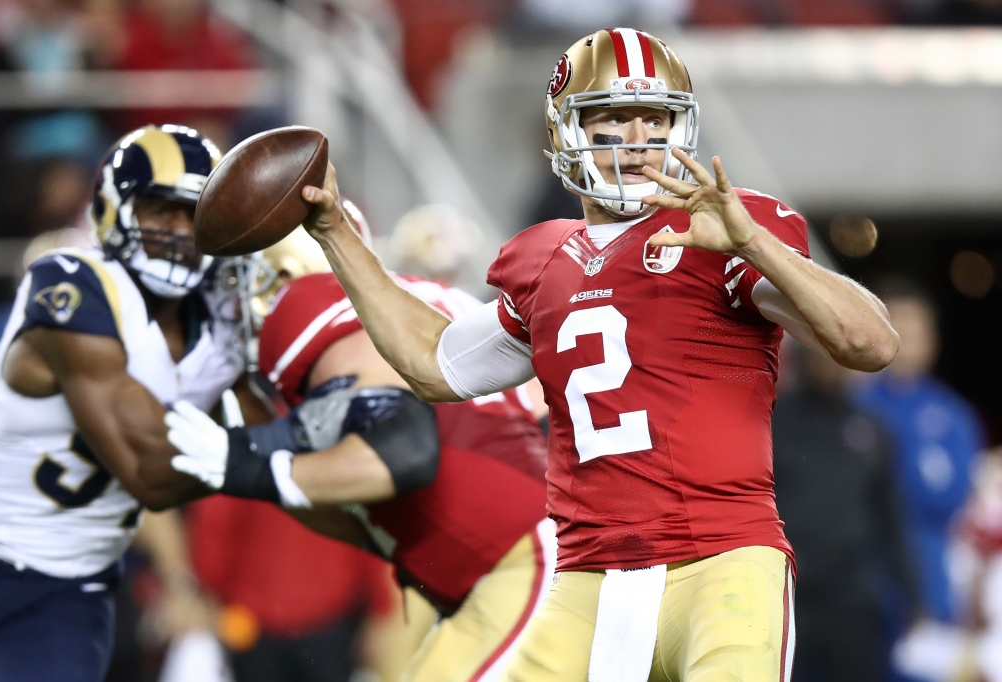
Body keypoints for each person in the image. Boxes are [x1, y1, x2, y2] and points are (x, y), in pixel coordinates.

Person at [286, 27, 899, 681]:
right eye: (613, 117)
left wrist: (754, 245)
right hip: (587, 579)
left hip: (719, 565)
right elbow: (436, 363)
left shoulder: (725, 232)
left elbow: (870, 343)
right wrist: (338, 237)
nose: (638, 138)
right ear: (567, 132)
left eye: (656, 118)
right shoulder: (545, 257)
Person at [166, 224, 556, 681]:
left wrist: (254, 464)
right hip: (502, 563)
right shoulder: (422, 305)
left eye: (234, 292)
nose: (223, 317)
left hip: (518, 560)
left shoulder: (317, 317)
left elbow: (405, 451)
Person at [0, 124, 242, 682]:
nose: (179, 232)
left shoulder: (227, 328)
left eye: (194, 214)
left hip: (61, 594)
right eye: (160, 212)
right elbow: (149, 472)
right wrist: (272, 455)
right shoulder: (75, 282)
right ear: (113, 210)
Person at [773, 345, 914, 682]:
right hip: (788, 594)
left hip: (852, 595)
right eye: (821, 355)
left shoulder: (872, 427)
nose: (830, 367)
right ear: (805, 360)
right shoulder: (774, 420)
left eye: (837, 358)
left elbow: (890, 517)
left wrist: (912, 594)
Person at [854, 282, 984, 624]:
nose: (906, 342)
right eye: (898, 329)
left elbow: (955, 500)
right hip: (859, 581)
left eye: (916, 331)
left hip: (930, 579)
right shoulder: (852, 406)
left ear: (933, 340)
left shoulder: (954, 416)